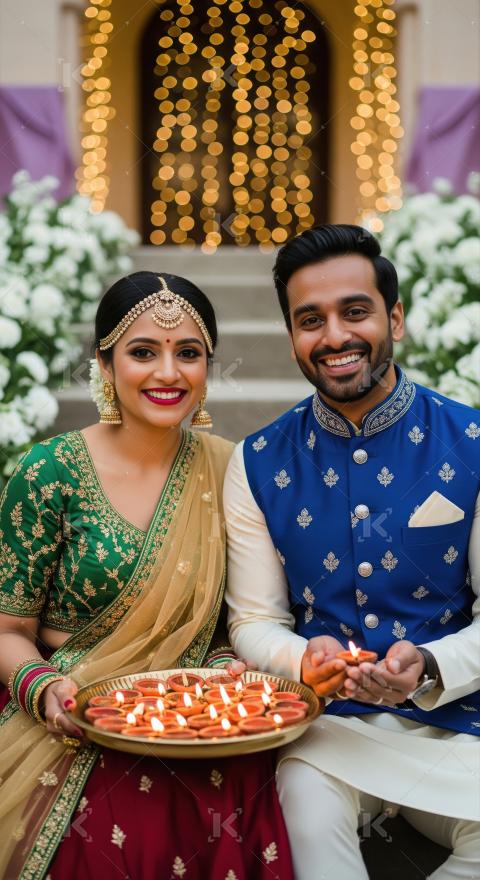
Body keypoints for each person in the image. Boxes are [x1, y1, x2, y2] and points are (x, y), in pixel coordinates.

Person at [0, 271, 294, 880]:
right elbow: (8, 629)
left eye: (188, 353)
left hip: (192, 718)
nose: (168, 373)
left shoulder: (230, 470)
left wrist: (220, 670)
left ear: (209, 367)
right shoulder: (49, 470)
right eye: (142, 352)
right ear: (105, 366)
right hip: (72, 711)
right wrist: (46, 688)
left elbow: (223, 623)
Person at [224, 224, 480, 880]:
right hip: (326, 728)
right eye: (310, 319)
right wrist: (298, 660)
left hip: (457, 722)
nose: (334, 336)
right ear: (291, 335)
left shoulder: (471, 442)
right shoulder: (256, 461)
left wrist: (427, 664)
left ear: (394, 317)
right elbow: (253, 620)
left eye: (355, 311)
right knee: (309, 834)